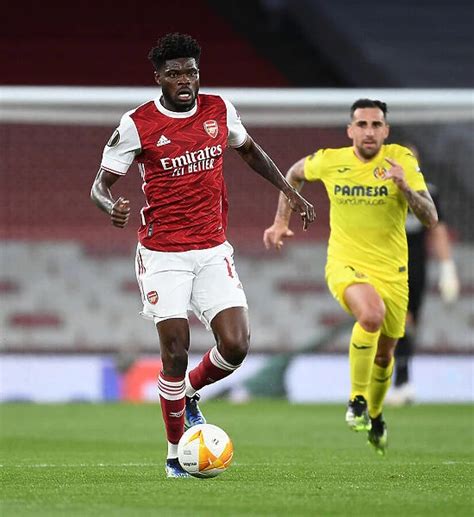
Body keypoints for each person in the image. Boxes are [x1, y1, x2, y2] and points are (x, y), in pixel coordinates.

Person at [90, 33, 314, 478]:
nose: (185, 80)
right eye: (174, 73)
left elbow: (249, 151)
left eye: (191, 71)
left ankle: (190, 393)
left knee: (236, 345)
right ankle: (175, 454)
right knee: (175, 351)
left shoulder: (219, 110)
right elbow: (99, 184)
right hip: (163, 255)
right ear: (158, 78)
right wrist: (108, 206)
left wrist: (290, 191)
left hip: (212, 249)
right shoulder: (137, 124)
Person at [263, 99, 438, 455]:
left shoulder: (401, 159)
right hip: (345, 262)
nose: (369, 131)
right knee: (369, 314)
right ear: (350, 130)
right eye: (362, 124)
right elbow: (293, 174)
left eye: (376, 125)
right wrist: (282, 221)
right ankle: (356, 399)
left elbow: (431, 218)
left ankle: (375, 415)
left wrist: (405, 188)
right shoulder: (331, 160)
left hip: (393, 272)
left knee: (385, 356)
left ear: (385, 131)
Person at [389, 148, 459, 405]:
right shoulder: (382, 188)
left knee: (407, 324)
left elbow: (437, 230)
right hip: (384, 263)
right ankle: (397, 381)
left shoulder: (427, 192)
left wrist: (447, 268)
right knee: (390, 321)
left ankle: (402, 381)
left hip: (415, 266)